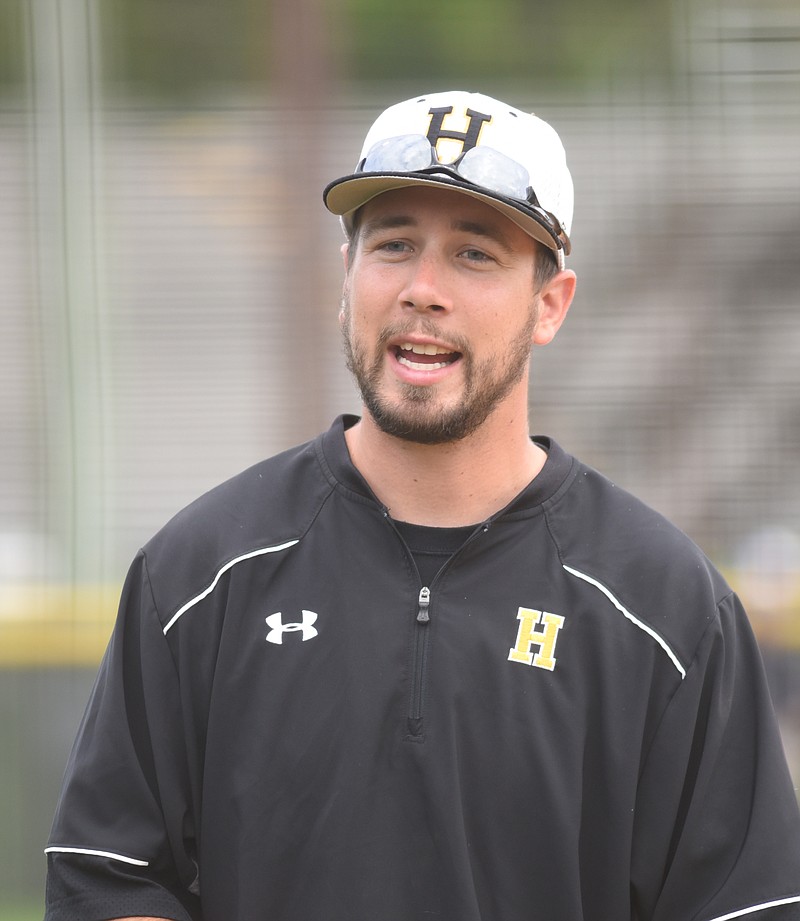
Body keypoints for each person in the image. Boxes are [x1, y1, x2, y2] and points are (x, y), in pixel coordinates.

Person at [44, 90, 800, 921]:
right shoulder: (201, 571)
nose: (423, 289)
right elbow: (106, 876)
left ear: (550, 303)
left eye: (475, 254)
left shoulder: (666, 607)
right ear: (347, 278)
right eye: (395, 244)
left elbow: (742, 904)